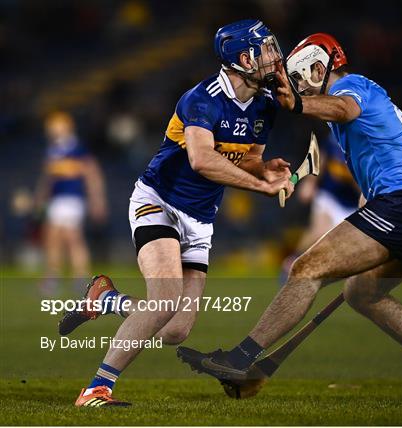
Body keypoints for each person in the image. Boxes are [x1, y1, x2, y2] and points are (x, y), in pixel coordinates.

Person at [178, 33, 402, 399]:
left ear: (318, 68)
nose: (295, 89)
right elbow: (369, 179)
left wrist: (296, 104)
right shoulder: (352, 123)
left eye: (299, 80)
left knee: (305, 268)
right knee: (362, 293)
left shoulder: (354, 86)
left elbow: (342, 107)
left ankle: (240, 357)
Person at [58, 19, 294, 407]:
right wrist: (261, 186)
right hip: (159, 202)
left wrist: (267, 171)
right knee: (165, 300)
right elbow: (202, 160)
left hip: (200, 221)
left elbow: (250, 160)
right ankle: (96, 389)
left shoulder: (266, 107)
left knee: (175, 330)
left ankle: (107, 300)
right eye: (266, 49)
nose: (275, 57)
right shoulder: (201, 99)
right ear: (242, 57)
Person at [34, 111, 107, 296]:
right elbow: (48, 178)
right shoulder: (53, 149)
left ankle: (78, 279)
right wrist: (40, 197)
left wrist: (97, 199)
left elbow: (92, 173)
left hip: (72, 199)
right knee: (55, 239)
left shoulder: (76, 147)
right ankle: (58, 279)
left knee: (71, 238)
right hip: (58, 200)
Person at [280, 132, 361, 283]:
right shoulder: (335, 137)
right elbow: (320, 159)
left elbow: (364, 189)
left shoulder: (364, 146)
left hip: (353, 204)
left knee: (351, 252)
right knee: (319, 232)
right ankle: (292, 263)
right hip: (329, 195)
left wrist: (352, 176)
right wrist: (310, 183)